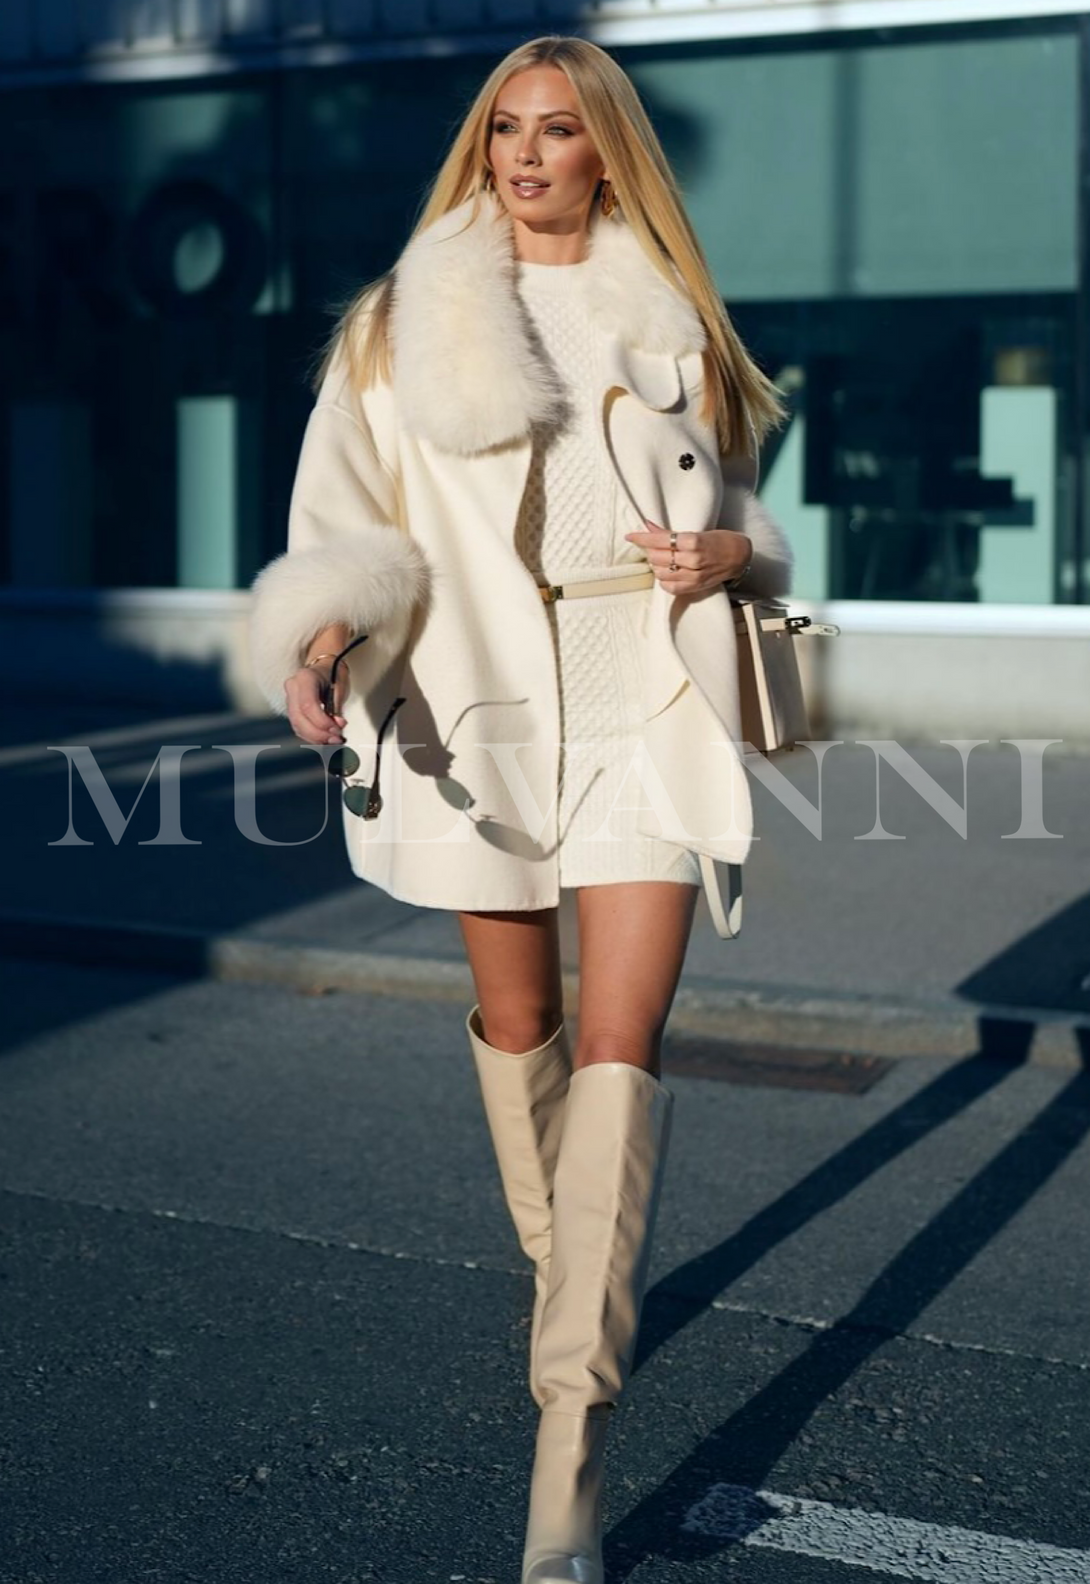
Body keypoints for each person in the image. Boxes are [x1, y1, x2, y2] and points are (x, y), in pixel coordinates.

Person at [249, 33, 792, 1584]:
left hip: (645, 704)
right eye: (505, 129)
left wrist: (728, 559)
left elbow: (739, 520)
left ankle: (570, 1449)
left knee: (624, 1048)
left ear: (605, 151)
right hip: (487, 706)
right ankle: (573, 1278)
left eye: (558, 130)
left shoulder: (670, 327)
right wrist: (329, 642)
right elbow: (350, 528)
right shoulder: (401, 326)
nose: (527, 154)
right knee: (520, 1030)